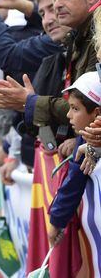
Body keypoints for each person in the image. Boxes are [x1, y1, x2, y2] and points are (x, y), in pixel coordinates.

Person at [48, 72, 101, 246]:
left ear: (96, 113)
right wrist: (56, 220)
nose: (69, 115)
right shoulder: (84, 138)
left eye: (75, 108)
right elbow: (73, 181)